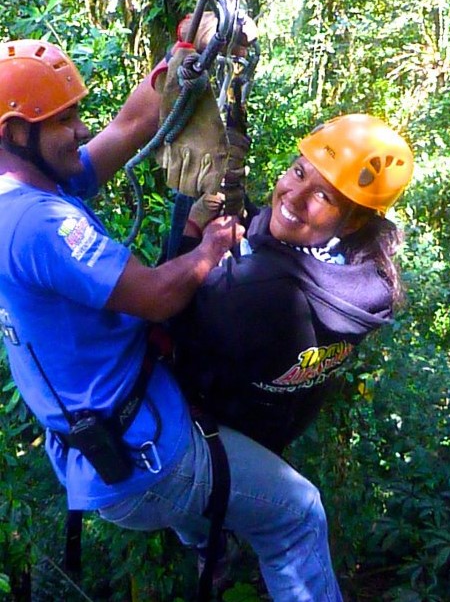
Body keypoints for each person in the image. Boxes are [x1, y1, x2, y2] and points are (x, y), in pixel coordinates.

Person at [0, 38, 345, 601]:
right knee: (297, 516)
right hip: (148, 457)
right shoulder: (35, 224)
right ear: (17, 133)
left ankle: (208, 544)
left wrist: (188, 46)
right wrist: (209, 245)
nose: (82, 131)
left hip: (109, 440)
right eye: (65, 121)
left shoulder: (34, 183)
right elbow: (159, 296)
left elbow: (134, 121)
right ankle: (207, 528)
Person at [171, 113, 414, 455]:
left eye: (323, 197)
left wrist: (193, 233)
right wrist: (237, 198)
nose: (293, 196)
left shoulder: (260, 294)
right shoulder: (369, 282)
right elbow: (275, 245)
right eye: (299, 172)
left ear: (353, 221)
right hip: (267, 439)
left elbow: (167, 311)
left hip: (203, 443)